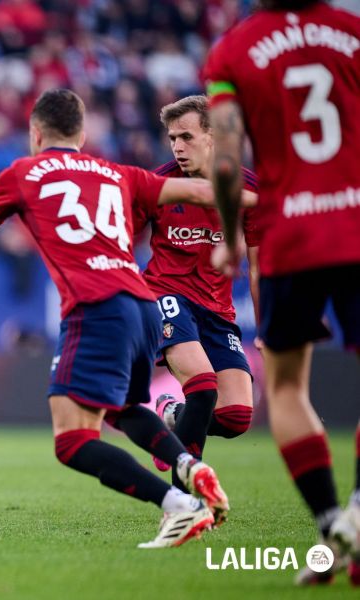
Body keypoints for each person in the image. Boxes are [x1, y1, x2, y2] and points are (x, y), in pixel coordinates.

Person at [0, 88, 232, 548]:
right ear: (82, 134)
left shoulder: (22, 172)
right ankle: (192, 468)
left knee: (71, 440)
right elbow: (202, 189)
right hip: (144, 306)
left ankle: (180, 506)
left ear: (35, 133)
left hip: (95, 307)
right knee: (122, 409)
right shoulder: (116, 172)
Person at [205, 0, 360, 585]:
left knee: (289, 387)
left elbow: (225, 163)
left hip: (291, 238)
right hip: (357, 227)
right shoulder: (352, 32)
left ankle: (331, 525)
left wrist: (229, 238)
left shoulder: (233, 51)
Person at [133, 95, 260, 479]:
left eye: (186, 137)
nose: (177, 147)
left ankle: (171, 418)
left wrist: (269, 328)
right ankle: (186, 497)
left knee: (236, 416)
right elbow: (120, 241)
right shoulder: (158, 183)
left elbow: (258, 266)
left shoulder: (246, 189)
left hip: (217, 310)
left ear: (213, 136)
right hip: (165, 296)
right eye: (172, 138)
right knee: (203, 385)